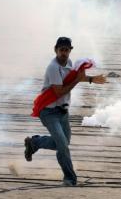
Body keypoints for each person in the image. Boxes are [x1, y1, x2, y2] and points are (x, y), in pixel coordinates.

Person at [24, 37, 106, 187]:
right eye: (61, 49)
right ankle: (70, 178)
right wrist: (77, 80)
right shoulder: (53, 68)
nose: (64, 52)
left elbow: (72, 78)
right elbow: (59, 91)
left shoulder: (69, 63)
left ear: (70, 51)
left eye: (66, 50)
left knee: (62, 143)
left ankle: (34, 142)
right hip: (49, 111)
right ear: (55, 50)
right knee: (62, 145)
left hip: (62, 111)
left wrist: (91, 79)